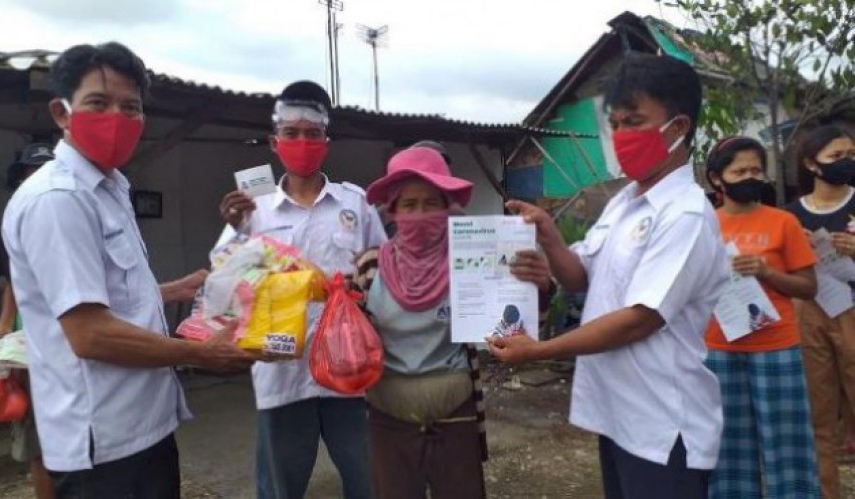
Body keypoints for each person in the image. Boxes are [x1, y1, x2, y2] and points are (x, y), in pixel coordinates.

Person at [1, 42, 255, 499]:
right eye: (98, 102)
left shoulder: (110, 187)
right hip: (102, 445)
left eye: (130, 107)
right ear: (62, 112)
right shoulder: (59, 198)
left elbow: (108, 296)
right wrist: (200, 354)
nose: (117, 116)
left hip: (141, 428)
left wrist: (177, 289)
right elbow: (90, 333)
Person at [487, 53, 728, 499]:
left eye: (634, 121)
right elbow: (581, 278)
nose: (619, 136)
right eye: (615, 124)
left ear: (677, 128)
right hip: (619, 414)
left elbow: (640, 318)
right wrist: (551, 237)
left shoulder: (687, 215)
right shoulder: (624, 203)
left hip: (663, 426)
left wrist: (539, 349)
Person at [351, 146, 554, 499]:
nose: (420, 213)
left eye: (432, 203)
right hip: (388, 416)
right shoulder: (370, 267)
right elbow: (352, 336)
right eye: (409, 204)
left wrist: (539, 286)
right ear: (393, 210)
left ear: (448, 207)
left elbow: (519, 326)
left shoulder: (475, 259)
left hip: (456, 413)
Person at [218, 80, 385, 499]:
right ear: (275, 143)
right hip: (281, 373)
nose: (302, 142)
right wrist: (237, 230)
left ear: (326, 142)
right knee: (279, 488)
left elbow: (383, 271)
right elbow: (222, 279)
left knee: (368, 480)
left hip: (348, 369)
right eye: (291, 133)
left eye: (312, 133)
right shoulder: (252, 209)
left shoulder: (355, 203)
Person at [702, 136, 820, 498]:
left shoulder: (783, 222)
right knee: (728, 442)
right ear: (717, 179)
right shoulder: (702, 224)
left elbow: (808, 287)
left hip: (776, 347)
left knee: (787, 441)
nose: (750, 177)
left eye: (756, 169)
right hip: (718, 347)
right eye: (740, 171)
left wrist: (767, 273)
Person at [786, 124, 855, 499]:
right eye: (837, 157)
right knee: (819, 417)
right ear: (812, 164)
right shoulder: (791, 215)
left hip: (852, 310)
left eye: (851, 155)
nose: (847, 163)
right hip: (808, 313)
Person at [0, 143, 56, 499]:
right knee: (40, 434)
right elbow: (11, 282)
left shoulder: (68, 213)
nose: (39, 177)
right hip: (32, 342)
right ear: (22, 178)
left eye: (47, 169)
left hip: (78, 337)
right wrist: (2, 326)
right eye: (33, 171)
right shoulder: (13, 220)